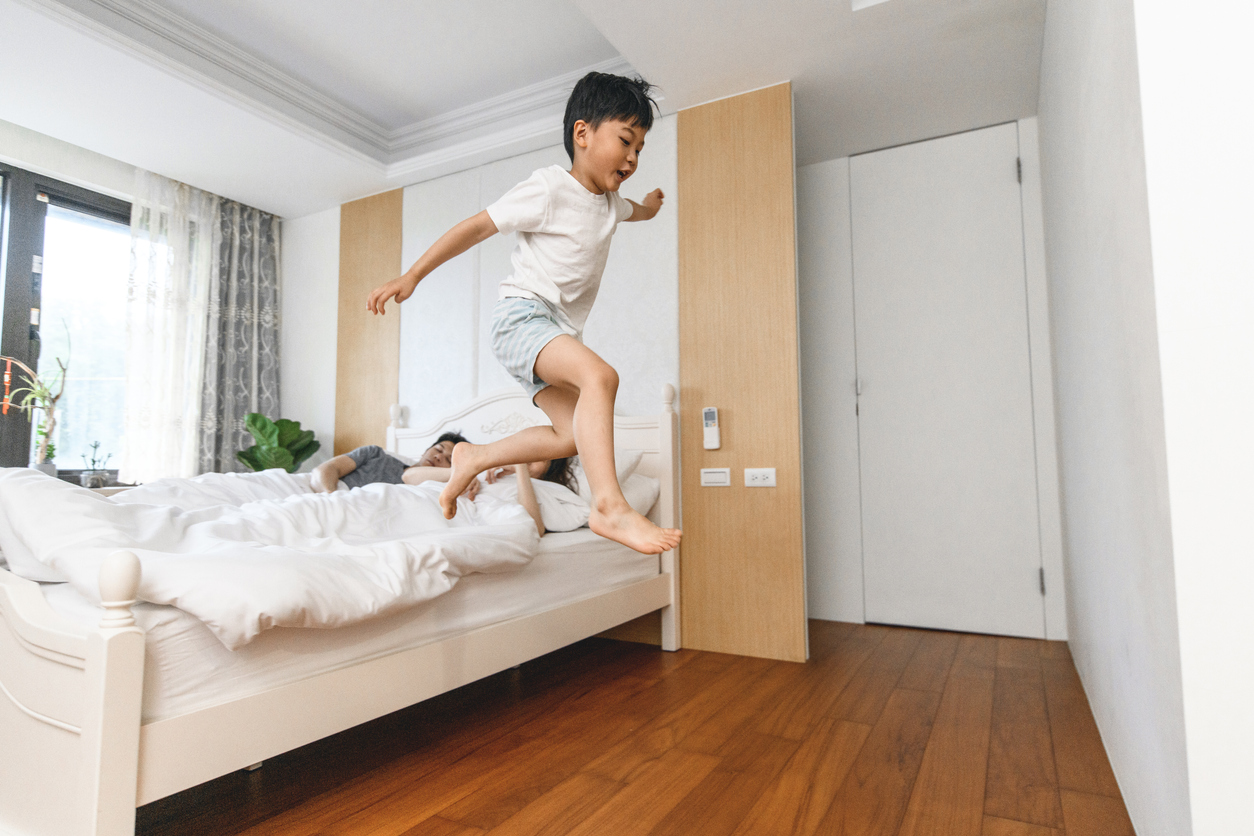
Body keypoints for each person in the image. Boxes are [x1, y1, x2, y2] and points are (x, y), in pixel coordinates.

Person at [366, 72, 682, 555]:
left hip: (551, 331)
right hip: (522, 319)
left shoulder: (612, 205)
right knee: (601, 377)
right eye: (625, 141)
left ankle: (473, 457)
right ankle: (609, 507)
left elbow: (634, 211)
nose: (634, 158)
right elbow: (475, 228)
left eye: (640, 147)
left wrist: (653, 208)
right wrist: (412, 275)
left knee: (568, 437)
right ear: (583, 134)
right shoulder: (551, 188)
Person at [310, 432, 470, 494]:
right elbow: (326, 469)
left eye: (448, 460)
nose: (438, 457)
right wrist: (330, 496)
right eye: (438, 449)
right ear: (425, 451)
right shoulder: (375, 454)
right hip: (332, 496)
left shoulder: (434, 489)